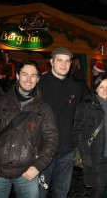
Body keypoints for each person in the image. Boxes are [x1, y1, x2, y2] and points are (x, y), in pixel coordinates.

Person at [0, 61, 58, 198]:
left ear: (38, 79)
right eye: (25, 74)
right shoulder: (0, 103)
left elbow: (52, 140)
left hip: (27, 173)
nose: (29, 79)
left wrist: (38, 166)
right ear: (17, 76)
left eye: (33, 76)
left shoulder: (44, 109)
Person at [38, 47, 86, 198]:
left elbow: (79, 115)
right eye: (60, 60)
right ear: (51, 62)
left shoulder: (74, 86)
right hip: (43, 152)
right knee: (40, 193)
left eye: (67, 61)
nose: (64, 65)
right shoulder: (39, 84)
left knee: (62, 193)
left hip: (66, 151)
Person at [73, 73, 107, 198]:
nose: (105, 90)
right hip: (95, 156)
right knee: (98, 190)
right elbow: (77, 132)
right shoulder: (86, 105)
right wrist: (85, 155)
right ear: (95, 88)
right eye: (101, 87)